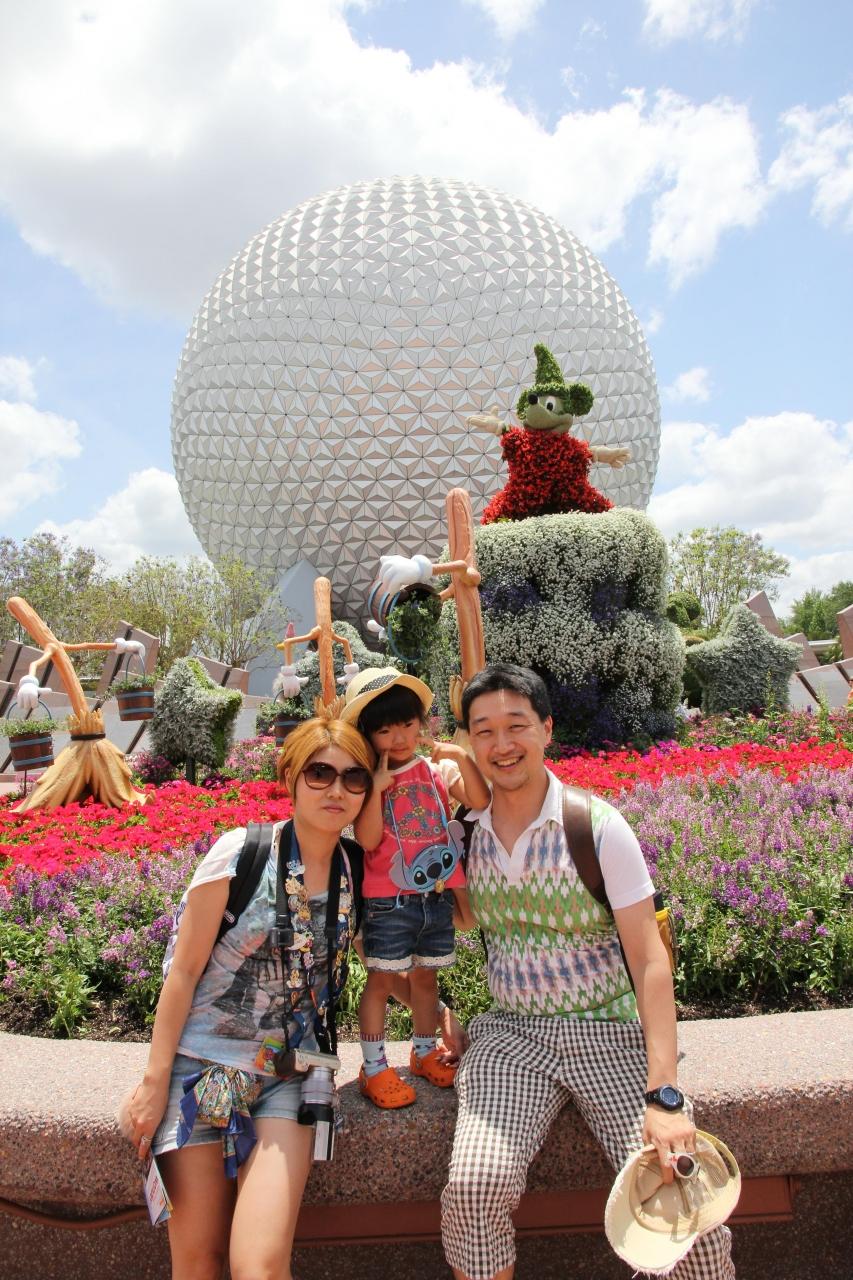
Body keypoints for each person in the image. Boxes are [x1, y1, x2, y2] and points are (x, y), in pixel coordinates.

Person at [122, 716, 463, 1280]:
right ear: (290, 777)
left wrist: (441, 1015)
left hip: (291, 1077)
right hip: (201, 1071)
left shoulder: (357, 870)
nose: (336, 790)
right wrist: (154, 1083)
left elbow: (372, 963)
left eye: (354, 777)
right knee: (198, 1263)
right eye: (320, 773)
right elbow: (181, 972)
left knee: (258, 1265)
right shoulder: (241, 854)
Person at [440, 664, 735, 1280]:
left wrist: (665, 1095)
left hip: (611, 1035)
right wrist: (433, 1011)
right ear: (468, 741)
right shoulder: (462, 833)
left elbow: (649, 960)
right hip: (512, 1037)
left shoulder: (595, 826)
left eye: (517, 725)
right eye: (484, 730)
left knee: (684, 1210)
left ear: (547, 729)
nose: (501, 744)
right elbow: (423, 928)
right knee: (474, 1187)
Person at [341, 667, 490, 1109]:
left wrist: (461, 756)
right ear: (367, 735)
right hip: (388, 902)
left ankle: (424, 1052)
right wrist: (376, 791)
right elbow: (368, 840)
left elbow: (480, 800)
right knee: (381, 981)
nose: (400, 737)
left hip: (435, 895)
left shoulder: (436, 769)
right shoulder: (366, 781)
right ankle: (374, 1068)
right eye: (385, 730)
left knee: (426, 978)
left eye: (407, 724)